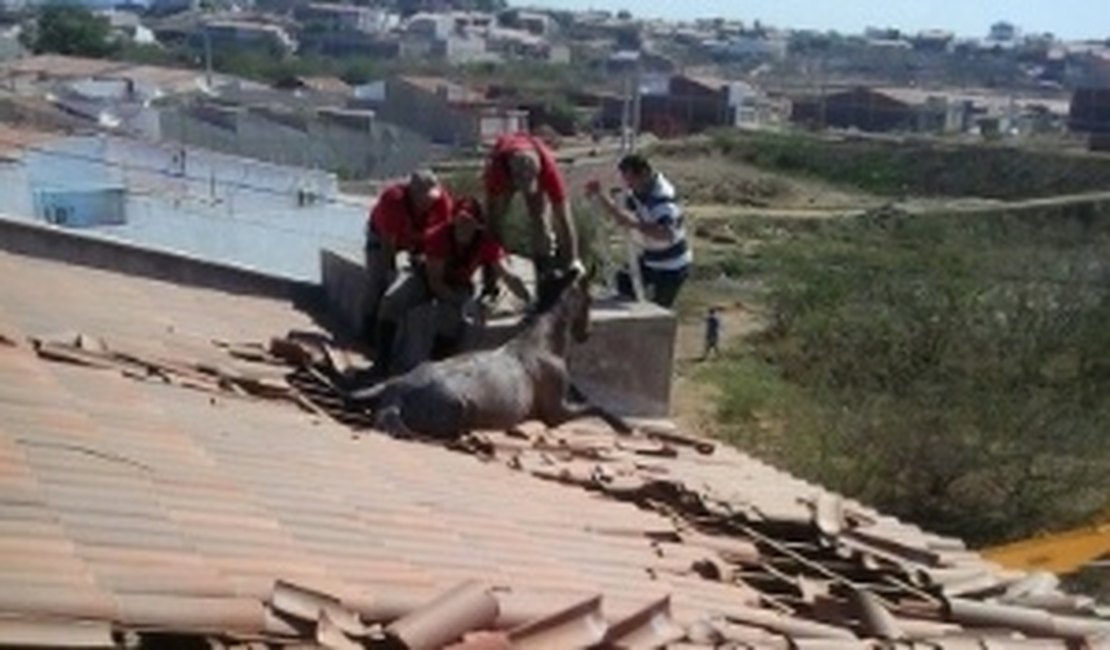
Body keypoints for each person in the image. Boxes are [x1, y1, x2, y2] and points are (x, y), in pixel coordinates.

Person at [374, 197, 530, 375]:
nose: (464, 226)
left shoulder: (485, 242)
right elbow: (435, 282)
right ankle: (381, 363)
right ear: (453, 220)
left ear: (478, 224)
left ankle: (433, 371)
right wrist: (456, 301)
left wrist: (527, 299)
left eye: (469, 222)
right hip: (425, 279)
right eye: (460, 220)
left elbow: (507, 274)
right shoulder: (437, 236)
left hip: (458, 284)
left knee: (449, 319)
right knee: (391, 301)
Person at [585, 153, 691, 309]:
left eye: (631, 179)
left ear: (644, 173)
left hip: (672, 265)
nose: (628, 185)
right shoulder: (640, 190)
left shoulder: (662, 201)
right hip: (650, 258)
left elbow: (667, 234)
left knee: (658, 311)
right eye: (626, 179)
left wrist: (636, 225)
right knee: (623, 284)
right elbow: (622, 216)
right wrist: (600, 196)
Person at [364, 169, 452, 345]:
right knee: (378, 281)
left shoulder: (441, 201)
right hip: (383, 236)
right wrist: (391, 271)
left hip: (419, 235)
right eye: (424, 197)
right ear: (412, 193)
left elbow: (445, 234)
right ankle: (368, 327)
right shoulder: (393, 200)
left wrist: (431, 262)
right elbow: (388, 243)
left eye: (432, 197)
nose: (429, 202)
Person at [483, 133, 580, 286]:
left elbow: (563, 217)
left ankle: (544, 273)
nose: (523, 190)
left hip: (531, 156)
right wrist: (497, 265)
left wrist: (573, 261)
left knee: (540, 221)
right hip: (504, 166)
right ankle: (490, 276)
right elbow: (491, 219)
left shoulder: (548, 167)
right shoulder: (497, 170)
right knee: (495, 221)